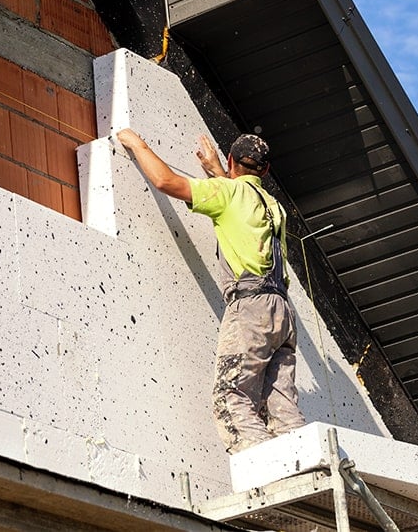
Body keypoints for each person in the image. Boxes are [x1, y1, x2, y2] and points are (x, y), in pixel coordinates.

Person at [115, 128, 305, 453]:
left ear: (231, 161)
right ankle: (306, 464)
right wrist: (220, 173)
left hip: (251, 309)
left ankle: (263, 471)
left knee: (232, 395)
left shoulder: (228, 194)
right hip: (282, 313)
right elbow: (243, 204)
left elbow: (166, 182)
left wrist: (137, 143)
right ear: (266, 171)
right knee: (281, 405)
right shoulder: (273, 206)